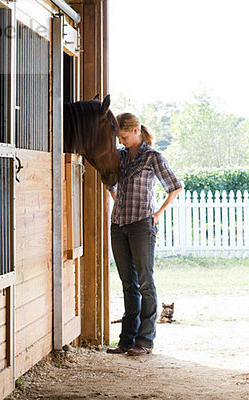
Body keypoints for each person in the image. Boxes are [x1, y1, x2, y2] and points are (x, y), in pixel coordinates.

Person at [106, 112, 183, 356]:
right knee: (128, 284)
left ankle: (145, 341)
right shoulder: (119, 156)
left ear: (136, 130)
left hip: (141, 225)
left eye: (124, 136)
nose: (121, 141)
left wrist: (156, 213)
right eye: (119, 137)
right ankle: (126, 341)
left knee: (145, 283)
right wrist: (117, 198)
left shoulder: (153, 157)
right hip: (118, 224)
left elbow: (175, 186)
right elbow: (111, 184)